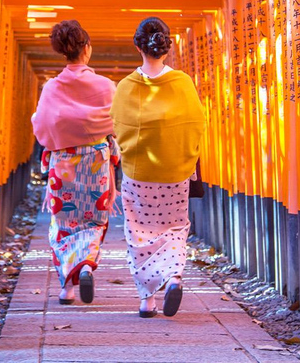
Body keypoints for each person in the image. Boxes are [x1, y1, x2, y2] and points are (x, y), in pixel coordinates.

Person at [110, 17, 206, 318]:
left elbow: (116, 128)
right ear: (166, 46)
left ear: (138, 45)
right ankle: (174, 276)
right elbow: (196, 125)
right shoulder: (182, 83)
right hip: (176, 173)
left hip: (139, 175)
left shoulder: (126, 87)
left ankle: (147, 301)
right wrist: (185, 158)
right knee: (175, 228)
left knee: (139, 232)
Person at [32, 20, 120, 305]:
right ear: (87, 48)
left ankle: (66, 288)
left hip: (64, 163)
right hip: (96, 162)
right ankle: (85, 264)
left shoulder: (52, 88)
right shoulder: (106, 87)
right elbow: (117, 124)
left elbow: (41, 126)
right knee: (94, 220)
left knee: (63, 222)